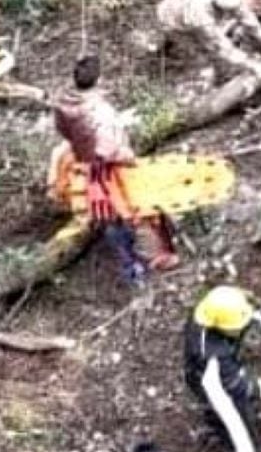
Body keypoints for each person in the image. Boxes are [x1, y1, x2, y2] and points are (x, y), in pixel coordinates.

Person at [52, 54, 174, 282]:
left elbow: (63, 131)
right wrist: (128, 157)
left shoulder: (64, 103)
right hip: (110, 169)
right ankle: (145, 261)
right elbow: (107, 147)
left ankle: (132, 264)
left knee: (107, 216)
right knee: (136, 211)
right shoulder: (100, 112)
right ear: (98, 80)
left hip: (85, 165)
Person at [183, 285, 261, 450]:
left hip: (216, 366)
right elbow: (240, 387)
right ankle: (233, 448)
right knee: (237, 417)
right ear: (223, 328)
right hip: (211, 385)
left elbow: (238, 298)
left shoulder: (210, 308)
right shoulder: (212, 355)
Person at [155, 0, 261, 77]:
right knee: (205, 47)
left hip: (190, 3)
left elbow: (250, 20)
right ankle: (217, 68)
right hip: (173, 17)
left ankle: (254, 52)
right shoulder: (199, 14)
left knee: (237, 30)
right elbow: (220, 44)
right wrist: (251, 65)